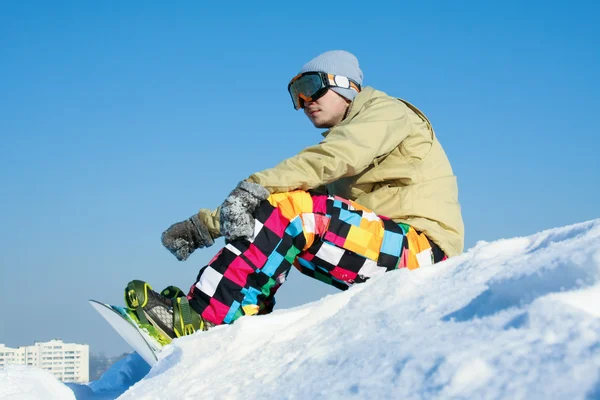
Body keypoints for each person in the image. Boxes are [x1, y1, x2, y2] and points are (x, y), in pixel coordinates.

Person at [124, 50, 464, 340]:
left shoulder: (386, 113)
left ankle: (204, 319)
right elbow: (277, 197)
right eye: (296, 95)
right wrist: (206, 226)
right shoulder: (347, 143)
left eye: (310, 88)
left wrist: (252, 185)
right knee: (277, 214)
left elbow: (333, 157)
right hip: (385, 248)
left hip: (424, 256)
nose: (304, 103)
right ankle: (235, 326)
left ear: (345, 84)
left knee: (298, 213)